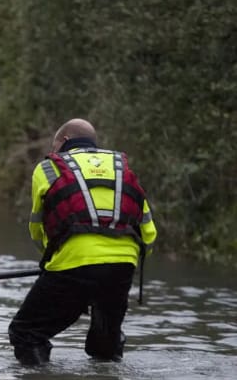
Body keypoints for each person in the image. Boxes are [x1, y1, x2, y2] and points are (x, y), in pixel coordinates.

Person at [8, 118, 157, 365]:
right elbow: (148, 232)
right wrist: (119, 260)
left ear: (64, 141)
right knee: (104, 344)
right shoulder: (121, 168)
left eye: (54, 145)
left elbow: (38, 227)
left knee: (26, 333)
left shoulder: (47, 168)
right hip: (123, 264)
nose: (52, 151)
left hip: (73, 263)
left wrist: (53, 261)